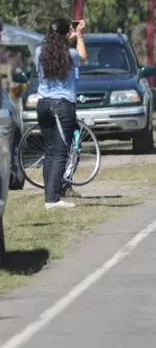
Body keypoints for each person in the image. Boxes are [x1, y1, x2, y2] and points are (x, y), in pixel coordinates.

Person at [33, 17, 87, 209]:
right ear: (66, 34)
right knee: (60, 153)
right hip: (62, 105)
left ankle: (49, 194)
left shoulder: (39, 51)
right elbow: (83, 55)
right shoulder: (69, 54)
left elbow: (51, 49)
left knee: (49, 151)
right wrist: (78, 35)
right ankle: (53, 199)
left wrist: (67, 36)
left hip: (43, 104)